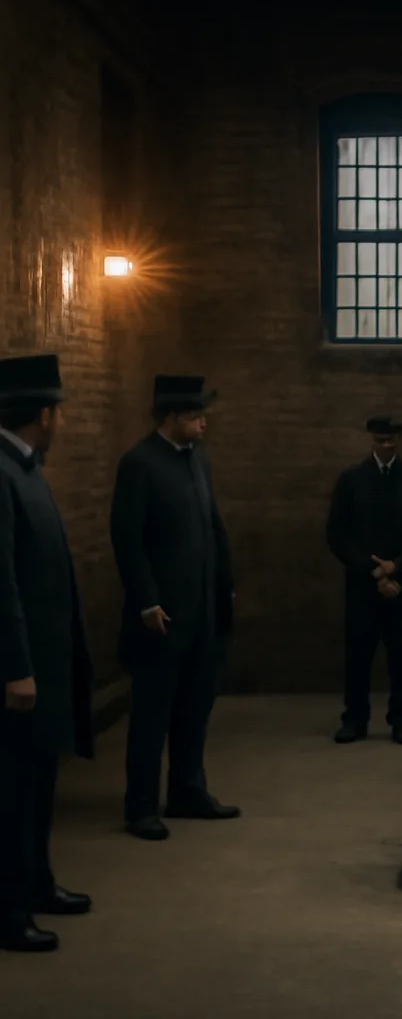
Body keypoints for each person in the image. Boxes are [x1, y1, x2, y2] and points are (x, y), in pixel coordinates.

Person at [110, 375, 239, 841]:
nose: (203, 423)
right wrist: (146, 600)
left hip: (202, 609)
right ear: (169, 418)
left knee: (194, 707)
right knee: (152, 714)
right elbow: (128, 538)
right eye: (194, 416)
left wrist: (225, 587)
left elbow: (213, 526)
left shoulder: (196, 459)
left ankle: (187, 790)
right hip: (161, 616)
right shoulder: (139, 464)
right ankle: (141, 807)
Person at [0, 354, 94, 953]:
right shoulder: (3, 474)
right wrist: (16, 669)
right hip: (21, 672)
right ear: (43, 414)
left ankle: (37, 883)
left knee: (38, 787)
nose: (62, 420)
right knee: (12, 794)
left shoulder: (25, 467)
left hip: (46, 666)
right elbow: (2, 581)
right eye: (59, 411)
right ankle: (8, 913)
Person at [327, 416, 402, 746]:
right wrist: (375, 571)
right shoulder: (352, 479)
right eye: (380, 440)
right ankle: (355, 719)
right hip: (363, 586)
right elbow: (338, 534)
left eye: (391, 440)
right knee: (358, 655)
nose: (386, 446)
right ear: (371, 440)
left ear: (400, 440)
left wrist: (398, 568)